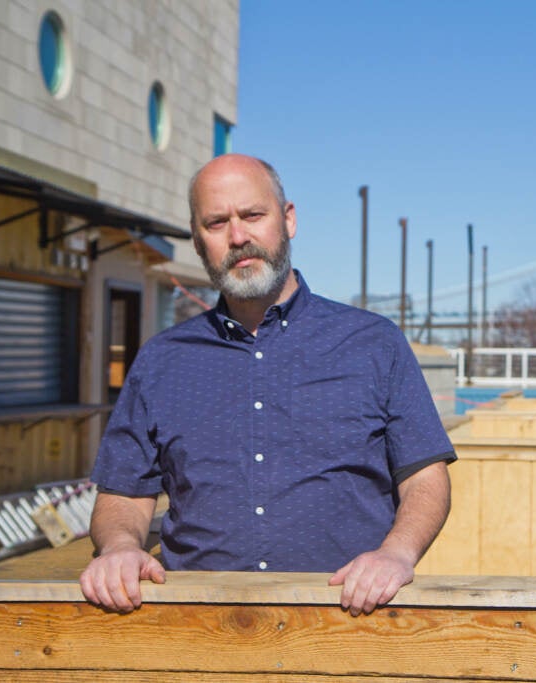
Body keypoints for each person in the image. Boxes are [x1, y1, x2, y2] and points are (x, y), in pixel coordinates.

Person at [79, 154, 455, 616]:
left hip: (349, 623)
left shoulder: (374, 343)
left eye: (253, 215)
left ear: (288, 219)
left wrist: (396, 553)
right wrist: (118, 547)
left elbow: (425, 477)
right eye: (217, 223)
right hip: (199, 630)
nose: (239, 237)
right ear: (197, 241)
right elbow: (122, 495)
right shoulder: (162, 360)